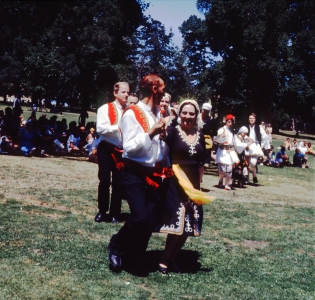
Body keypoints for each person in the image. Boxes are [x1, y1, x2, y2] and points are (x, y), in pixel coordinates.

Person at [108, 74, 169, 275]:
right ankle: (116, 244)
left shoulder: (155, 114)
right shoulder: (131, 113)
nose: (164, 93)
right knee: (140, 217)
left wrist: (163, 138)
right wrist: (151, 133)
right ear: (153, 89)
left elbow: (157, 149)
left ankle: (135, 255)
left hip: (154, 174)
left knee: (150, 221)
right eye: (162, 88)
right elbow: (130, 148)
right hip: (134, 172)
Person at [155, 100, 208, 274]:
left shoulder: (200, 134)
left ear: (197, 115)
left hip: (193, 184)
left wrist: (199, 184)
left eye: (192, 113)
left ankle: (173, 259)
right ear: (179, 114)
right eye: (184, 113)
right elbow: (160, 152)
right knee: (178, 223)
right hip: (175, 182)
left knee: (188, 225)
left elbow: (202, 160)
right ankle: (164, 258)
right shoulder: (172, 132)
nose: (188, 116)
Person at [95, 82, 129, 224]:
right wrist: (118, 127)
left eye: (128, 92)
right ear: (115, 93)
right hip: (106, 148)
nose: (126, 95)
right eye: (123, 92)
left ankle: (115, 213)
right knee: (104, 180)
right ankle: (102, 211)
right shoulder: (105, 108)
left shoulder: (130, 111)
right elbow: (101, 129)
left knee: (118, 183)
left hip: (121, 150)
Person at [213, 114, 239, 190]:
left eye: (231, 122)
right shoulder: (222, 129)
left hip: (230, 151)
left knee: (229, 170)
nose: (230, 124)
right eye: (229, 122)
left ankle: (227, 184)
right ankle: (221, 180)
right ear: (226, 122)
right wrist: (221, 135)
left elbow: (235, 141)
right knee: (222, 170)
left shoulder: (233, 131)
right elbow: (218, 138)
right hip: (222, 151)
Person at [245, 113, 270, 184]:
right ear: (248, 120)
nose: (251, 119)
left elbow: (265, 137)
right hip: (248, 145)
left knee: (253, 163)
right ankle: (246, 178)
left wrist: (262, 146)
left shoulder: (258, 127)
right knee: (247, 163)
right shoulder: (246, 127)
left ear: (255, 120)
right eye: (250, 118)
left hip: (255, 145)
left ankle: (254, 175)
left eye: (253, 118)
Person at [199, 102, 217, 167]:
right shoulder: (196, 117)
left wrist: (213, 141)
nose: (205, 113)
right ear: (202, 109)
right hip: (196, 137)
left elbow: (214, 132)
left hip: (206, 139)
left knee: (206, 153)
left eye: (207, 112)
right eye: (204, 111)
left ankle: (205, 163)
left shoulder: (211, 120)